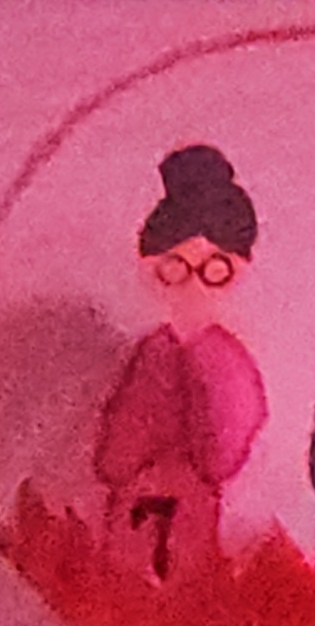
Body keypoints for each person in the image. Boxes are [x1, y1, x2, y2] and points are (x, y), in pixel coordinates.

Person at [93, 145, 268, 582]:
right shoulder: (154, 350)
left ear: (237, 269)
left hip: (190, 506)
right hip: (134, 506)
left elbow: (223, 449)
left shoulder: (224, 359)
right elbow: (118, 443)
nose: (192, 283)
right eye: (175, 267)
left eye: (213, 269)